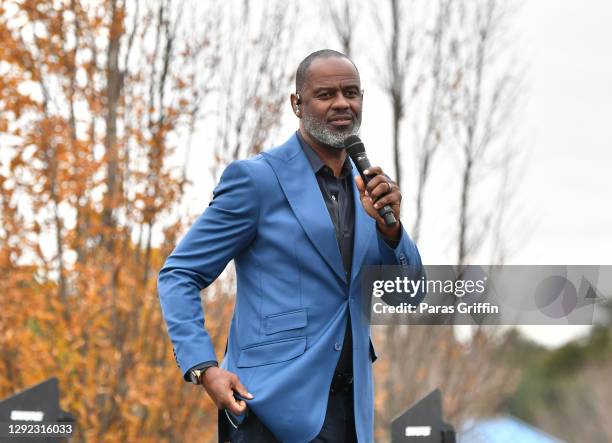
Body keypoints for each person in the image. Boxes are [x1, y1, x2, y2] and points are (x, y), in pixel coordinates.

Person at [157, 49, 423, 443]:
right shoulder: (256, 180)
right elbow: (179, 274)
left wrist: (391, 231)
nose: (341, 103)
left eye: (351, 93)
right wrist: (204, 367)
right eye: (325, 94)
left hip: (350, 418)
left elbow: (410, 297)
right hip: (268, 410)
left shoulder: (370, 190)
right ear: (297, 103)